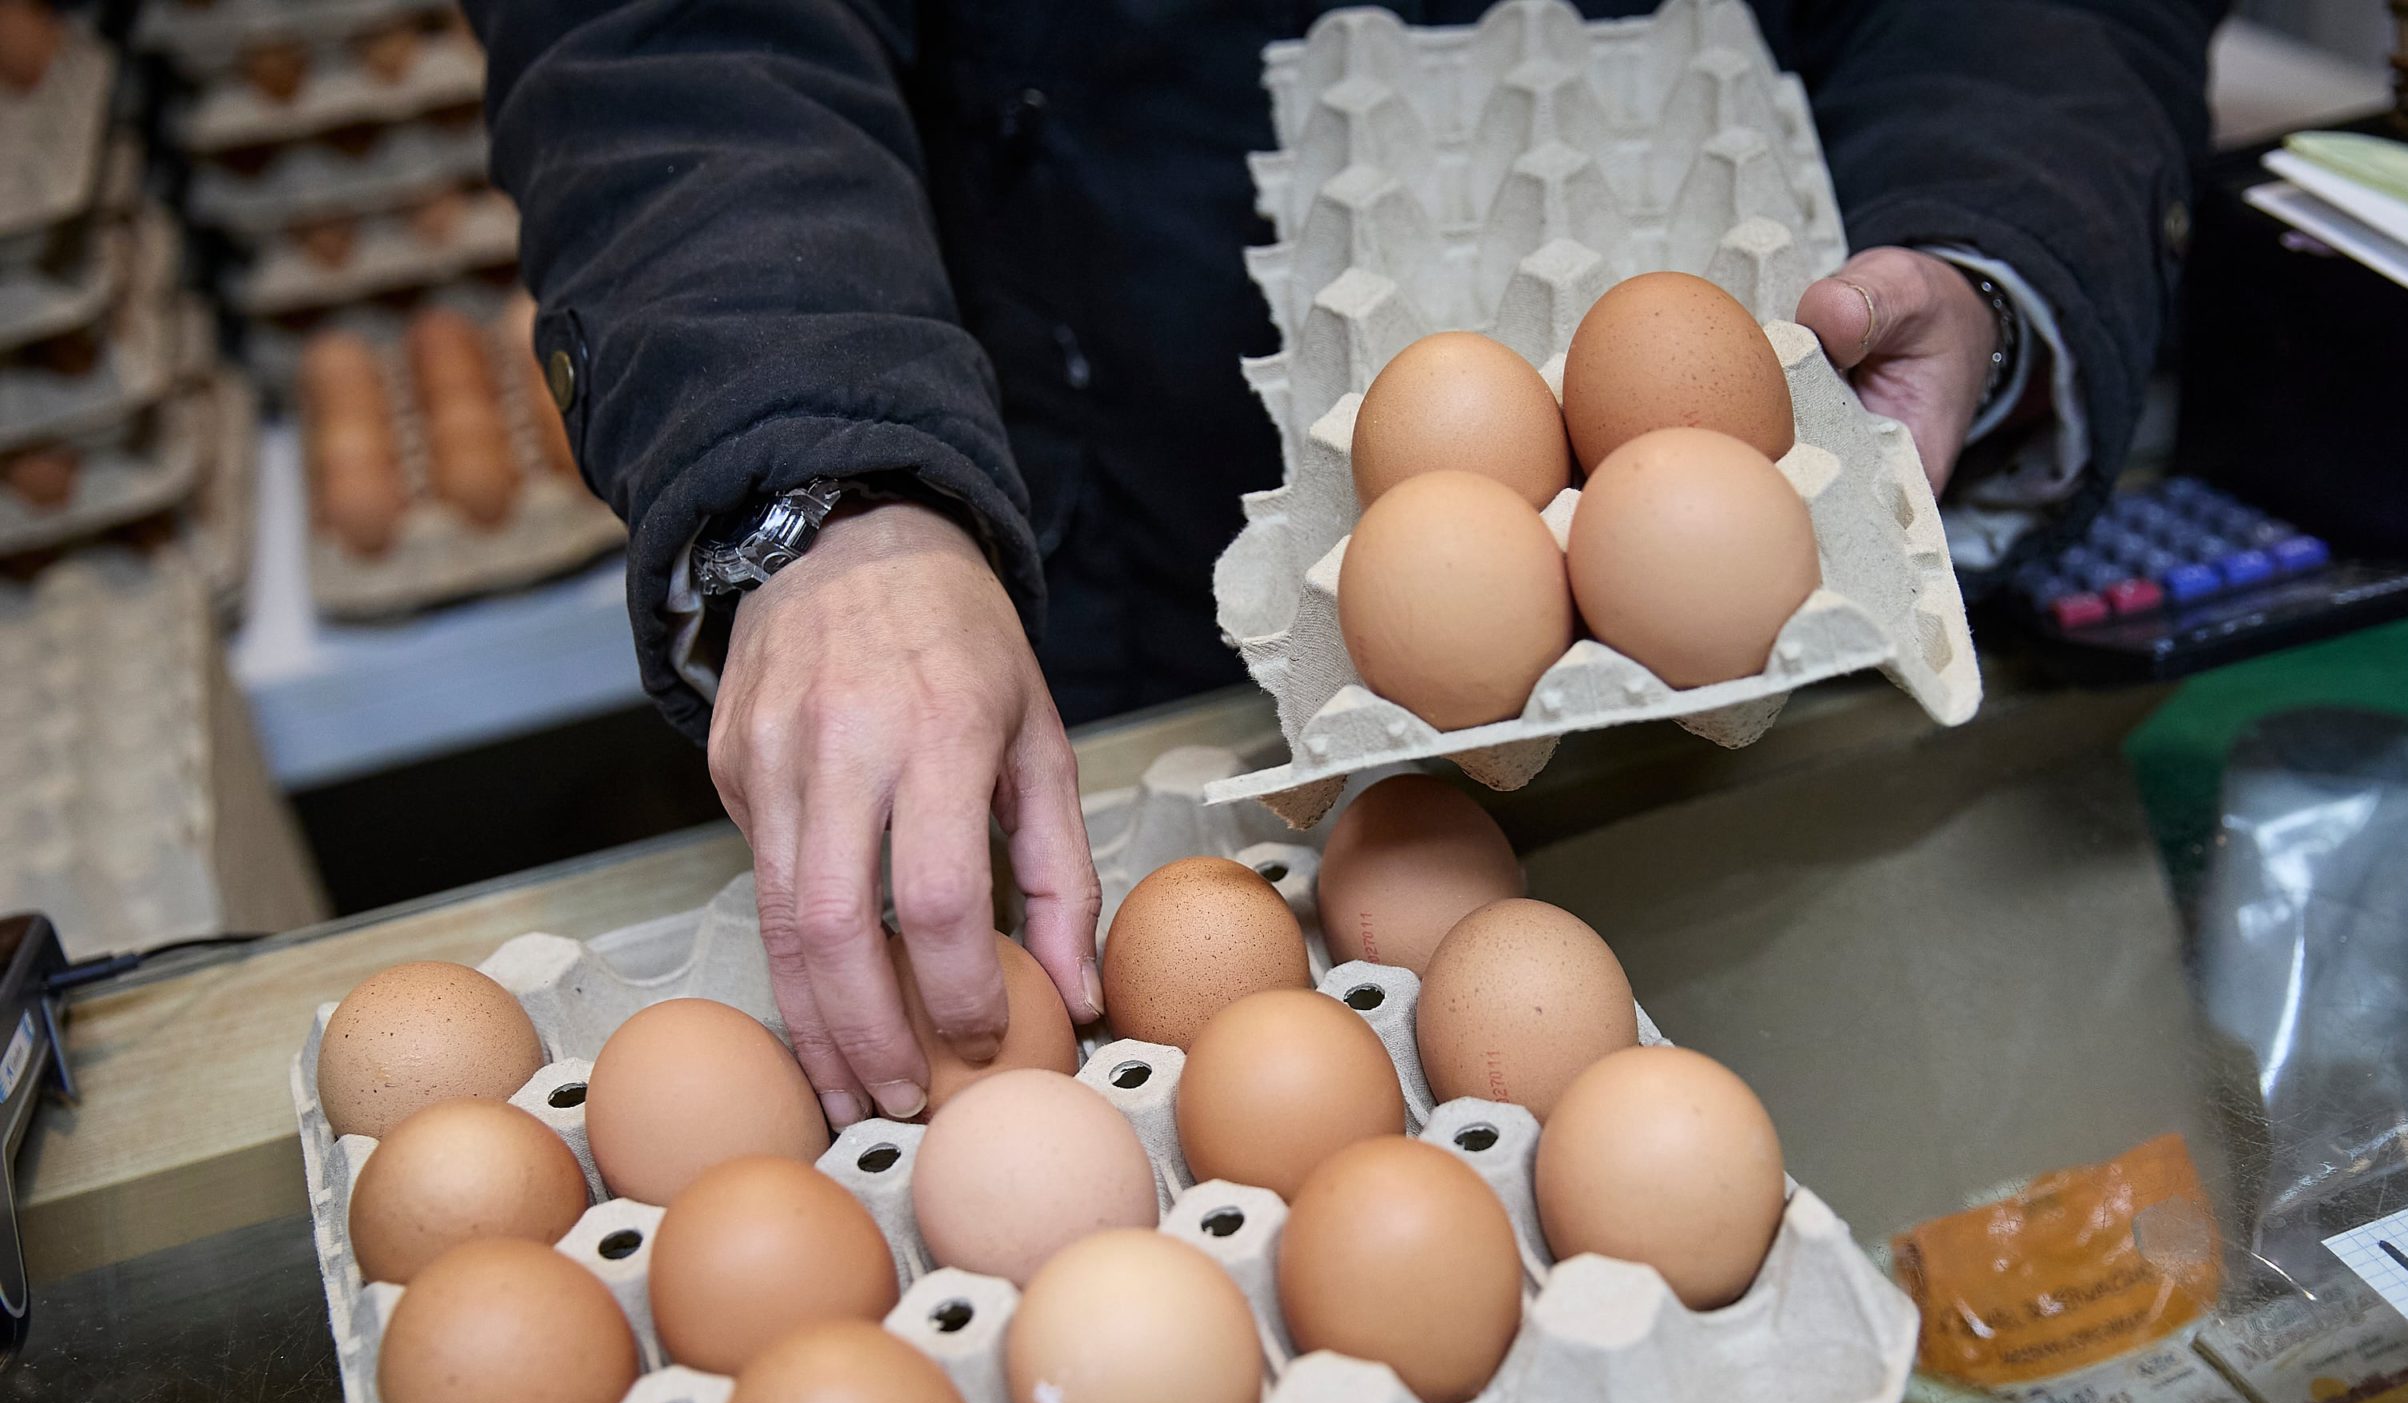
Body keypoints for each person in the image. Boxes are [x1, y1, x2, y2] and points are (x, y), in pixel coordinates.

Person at [462, 0, 2221, 1126]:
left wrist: (1994, 249)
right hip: (1094, 545)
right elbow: (672, 29)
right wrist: (828, 475)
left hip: (1805, 539)